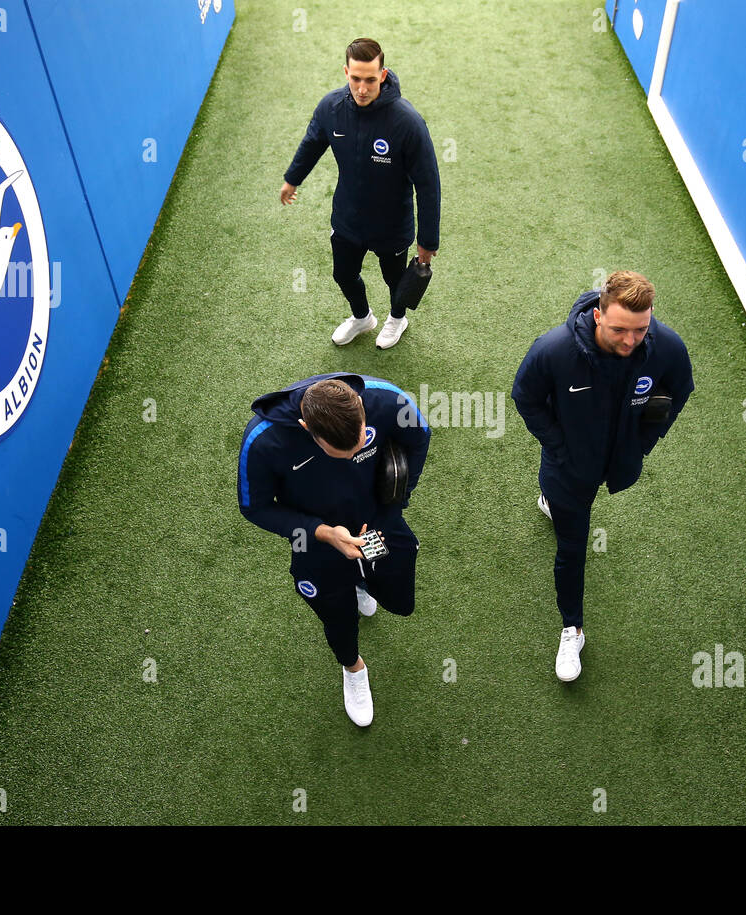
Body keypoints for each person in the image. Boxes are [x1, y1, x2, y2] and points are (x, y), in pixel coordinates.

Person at [511, 271, 694, 682]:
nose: (630, 342)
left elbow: (680, 388)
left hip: (618, 462)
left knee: (568, 515)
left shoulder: (666, 347)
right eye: (619, 330)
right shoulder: (554, 350)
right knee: (572, 549)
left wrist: (645, 440)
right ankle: (572, 628)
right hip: (569, 468)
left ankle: (552, 502)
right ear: (597, 315)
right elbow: (524, 396)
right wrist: (559, 447)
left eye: (640, 330)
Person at [238, 373, 430, 726]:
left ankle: (361, 584)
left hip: (378, 523)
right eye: (343, 453)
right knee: (337, 617)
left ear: (361, 409)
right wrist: (322, 533)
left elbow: (419, 438)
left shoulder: (386, 399)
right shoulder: (262, 441)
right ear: (306, 428)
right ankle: (353, 668)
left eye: (361, 445)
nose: (356, 457)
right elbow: (255, 507)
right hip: (317, 545)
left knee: (401, 603)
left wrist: (393, 504)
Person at [280, 37, 441, 350]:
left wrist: (427, 242)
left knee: (396, 282)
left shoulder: (407, 123)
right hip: (348, 218)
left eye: (370, 79)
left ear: (383, 74)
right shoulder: (331, 108)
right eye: (355, 79)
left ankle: (397, 319)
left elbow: (428, 185)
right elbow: (312, 143)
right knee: (343, 274)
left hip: (392, 225)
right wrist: (292, 179)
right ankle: (362, 317)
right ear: (346, 73)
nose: (362, 88)